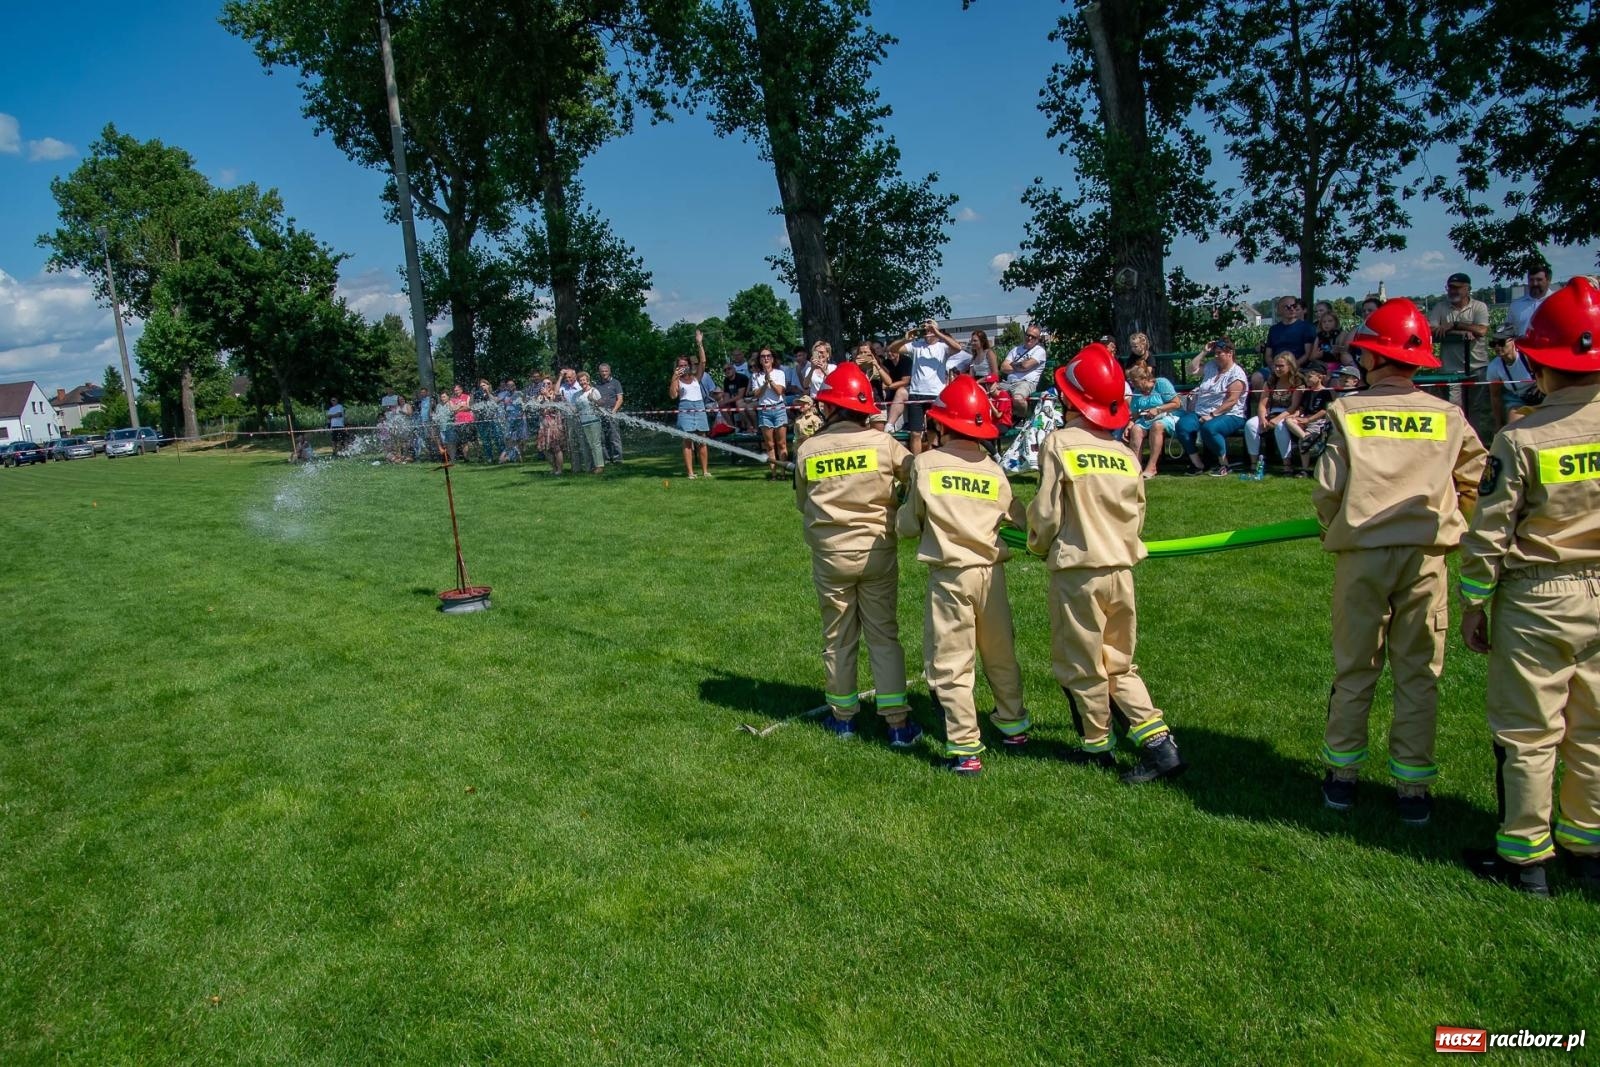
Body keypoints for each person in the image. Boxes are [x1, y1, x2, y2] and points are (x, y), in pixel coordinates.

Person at [1313, 298, 1487, 825]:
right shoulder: (1449, 416)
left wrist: (1335, 529)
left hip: (1362, 556)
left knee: (1355, 666)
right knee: (1419, 673)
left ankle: (1343, 778)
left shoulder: (1348, 412)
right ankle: (1413, 787)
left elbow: (1327, 490)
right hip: (1427, 558)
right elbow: (1478, 486)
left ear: (1371, 358)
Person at [1457, 276, 1600, 897]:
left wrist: (1473, 602)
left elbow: (1489, 532)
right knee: (1593, 731)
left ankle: (1525, 855)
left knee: (1529, 731)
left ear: (1540, 363)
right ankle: (1588, 845)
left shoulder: (1521, 439)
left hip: (1540, 597)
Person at [1028, 344, 1186, 783]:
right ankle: (1160, 745)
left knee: (1082, 664)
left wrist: (1037, 544)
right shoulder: (1124, 454)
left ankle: (1097, 746)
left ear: (1071, 398)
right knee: (1120, 661)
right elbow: (1138, 511)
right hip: (1121, 568)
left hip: (1078, 570)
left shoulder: (1059, 443)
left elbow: (1045, 513)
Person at [896, 375, 1028, 775]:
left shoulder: (926, 464)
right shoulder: (993, 469)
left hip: (951, 577)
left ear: (941, 423)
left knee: (952, 662)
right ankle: (1013, 725)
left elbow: (908, 523)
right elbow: (1018, 520)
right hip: (992, 573)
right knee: (1000, 652)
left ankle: (966, 746)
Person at [794, 362, 919, 744]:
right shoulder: (883, 443)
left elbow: (802, 504)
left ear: (829, 407)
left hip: (830, 557)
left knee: (838, 638)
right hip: (877, 553)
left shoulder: (809, 449)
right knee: (883, 635)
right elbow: (917, 474)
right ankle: (897, 724)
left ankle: (844, 719)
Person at [890, 320, 972, 454]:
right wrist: (905, 339)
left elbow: (957, 348)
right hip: (916, 393)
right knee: (915, 433)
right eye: (926, 329)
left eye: (931, 328)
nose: (928, 331)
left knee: (935, 432)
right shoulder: (916, 346)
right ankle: (916, 464)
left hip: (936, 395)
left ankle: (934, 459)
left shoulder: (943, 346)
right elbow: (892, 349)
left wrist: (938, 333)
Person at [1428, 271, 1492, 438]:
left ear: (1467, 289)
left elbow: (1482, 330)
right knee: (1453, 406)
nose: (1452, 291)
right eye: (1449, 288)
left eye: (1457, 288)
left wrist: (1454, 325)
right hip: (1450, 368)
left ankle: (1473, 440)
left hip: (1476, 366)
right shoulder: (1440, 307)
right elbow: (1431, 331)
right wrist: (1461, 333)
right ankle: (1455, 441)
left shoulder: (1479, 307)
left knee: (1475, 407)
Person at [1174, 338, 1250, 476]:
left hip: (1229, 414)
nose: (1215, 356)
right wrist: (1203, 352)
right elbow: (1191, 370)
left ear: (1230, 353)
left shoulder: (1236, 374)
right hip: (1201, 411)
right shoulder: (1211, 366)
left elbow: (1232, 400)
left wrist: (1213, 415)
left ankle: (1224, 464)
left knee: (1209, 428)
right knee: (1182, 426)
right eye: (1214, 353)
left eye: (1219, 353)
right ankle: (1198, 464)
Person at [1243, 354, 1304, 478]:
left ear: (1290, 366)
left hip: (1289, 415)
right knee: (1250, 424)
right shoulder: (1271, 381)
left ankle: (1287, 465)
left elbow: (1293, 406)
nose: (1277, 369)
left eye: (1281, 366)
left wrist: (1277, 419)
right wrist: (1262, 418)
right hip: (1270, 413)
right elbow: (1262, 403)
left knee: (1280, 426)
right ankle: (1254, 463)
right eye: (1275, 366)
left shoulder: (1298, 382)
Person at [1124, 363, 1180, 478]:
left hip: (1166, 416)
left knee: (1157, 426)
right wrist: (1130, 424)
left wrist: (1158, 409)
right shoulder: (1137, 392)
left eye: (1134, 381)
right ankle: (1136, 467)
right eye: (1131, 381)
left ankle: (1152, 467)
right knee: (1136, 429)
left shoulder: (1161, 383)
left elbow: (1176, 403)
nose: (1132, 384)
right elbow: (1135, 414)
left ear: (1144, 378)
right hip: (1145, 420)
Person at [1485, 325, 1541, 431]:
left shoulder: (1528, 356)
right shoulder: (1494, 367)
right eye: (1493, 344)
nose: (1497, 347)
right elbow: (1495, 397)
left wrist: (1540, 388)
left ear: (1513, 341)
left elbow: (1547, 375)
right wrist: (1498, 424)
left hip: (1541, 392)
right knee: (1514, 426)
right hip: (1517, 397)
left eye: (1501, 342)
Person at [669, 351, 714, 480]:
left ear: (689, 365)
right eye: (680, 366)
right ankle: (690, 472)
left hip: (699, 408)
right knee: (687, 442)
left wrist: (699, 343)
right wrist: (674, 377)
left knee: (702, 441)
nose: (683, 368)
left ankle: (705, 471)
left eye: (685, 365)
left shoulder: (695, 377)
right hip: (685, 409)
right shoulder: (677, 380)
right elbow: (673, 395)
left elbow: (703, 361)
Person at [1283, 366, 1333, 474]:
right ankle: (1308, 438)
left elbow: (1324, 411)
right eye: (1306, 376)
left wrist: (1309, 420)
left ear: (1319, 377)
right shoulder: (1307, 392)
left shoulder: (1326, 392)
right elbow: (1301, 408)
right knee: (1288, 420)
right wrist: (1295, 415)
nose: (1307, 379)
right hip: (1305, 418)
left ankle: (1305, 469)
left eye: (1309, 376)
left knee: (1302, 442)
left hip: (1317, 420)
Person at [750, 348, 789, 479]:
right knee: (770, 444)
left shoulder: (780, 373)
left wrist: (770, 380)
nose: (766, 358)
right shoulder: (755, 376)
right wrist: (765, 383)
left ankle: (783, 473)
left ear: (772, 359)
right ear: (760, 360)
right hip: (764, 410)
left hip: (778, 409)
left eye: (768, 356)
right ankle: (773, 474)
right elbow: (756, 395)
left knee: (781, 443)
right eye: (763, 356)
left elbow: (779, 391)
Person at [999, 323, 1049, 422]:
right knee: (989, 392)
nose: (1029, 338)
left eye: (1033, 337)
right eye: (1028, 335)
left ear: (1038, 339)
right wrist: (1020, 366)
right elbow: (1003, 367)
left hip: (1026, 383)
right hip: (1008, 383)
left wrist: (1013, 364)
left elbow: (1025, 366)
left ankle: (1023, 419)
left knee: (1018, 399)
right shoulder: (1015, 350)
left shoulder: (1039, 351)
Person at [1261, 296, 1317, 381]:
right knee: (1257, 378)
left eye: (1294, 306)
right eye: (1287, 307)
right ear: (1279, 310)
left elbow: (1307, 354)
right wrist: (1274, 367)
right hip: (1277, 367)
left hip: (1298, 367)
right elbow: (1268, 354)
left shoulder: (1307, 327)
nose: (1291, 309)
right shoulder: (1274, 329)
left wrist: (1291, 367)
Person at [1506, 262, 1552, 338]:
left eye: (1539, 280)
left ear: (1548, 281)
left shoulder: (1558, 302)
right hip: (1521, 349)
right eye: (1531, 280)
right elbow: (1507, 333)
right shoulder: (1516, 305)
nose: (1535, 284)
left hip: (1550, 349)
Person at [572, 371, 605, 474]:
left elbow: (601, 404)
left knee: (596, 443)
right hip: (585, 422)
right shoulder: (577, 395)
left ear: (588, 380)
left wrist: (593, 400)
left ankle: (600, 466)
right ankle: (596, 465)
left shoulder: (594, 391)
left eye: (584, 380)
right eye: (580, 381)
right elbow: (575, 410)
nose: (582, 382)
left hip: (595, 420)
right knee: (591, 444)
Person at [875, 340, 911, 432]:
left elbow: (905, 381)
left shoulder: (906, 361)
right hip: (890, 390)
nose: (890, 354)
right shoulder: (886, 363)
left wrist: (888, 386)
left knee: (900, 392)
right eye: (887, 352)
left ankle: (890, 425)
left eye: (892, 351)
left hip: (905, 390)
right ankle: (878, 419)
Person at [595, 362, 624, 464]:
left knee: (614, 437)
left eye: (606, 371)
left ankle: (617, 459)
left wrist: (613, 411)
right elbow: (596, 400)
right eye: (602, 371)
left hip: (613, 413)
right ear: (599, 372)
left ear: (609, 371)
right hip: (601, 414)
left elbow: (620, 399)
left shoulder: (616, 383)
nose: (604, 373)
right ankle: (607, 459)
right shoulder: (597, 385)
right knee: (603, 438)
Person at [536, 378, 567, 476]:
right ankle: (554, 468)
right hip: (544, 425)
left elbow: (555, 408)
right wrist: (543, 397)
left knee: (557, 448)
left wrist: (547, 396)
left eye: (548, 383)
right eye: (544, 383)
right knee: (545, 449)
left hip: (555, 425)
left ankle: (560, 469)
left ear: (552, 384)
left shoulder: (556, 395)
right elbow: (540, 411)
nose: (546, 385)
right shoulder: (539, 397)